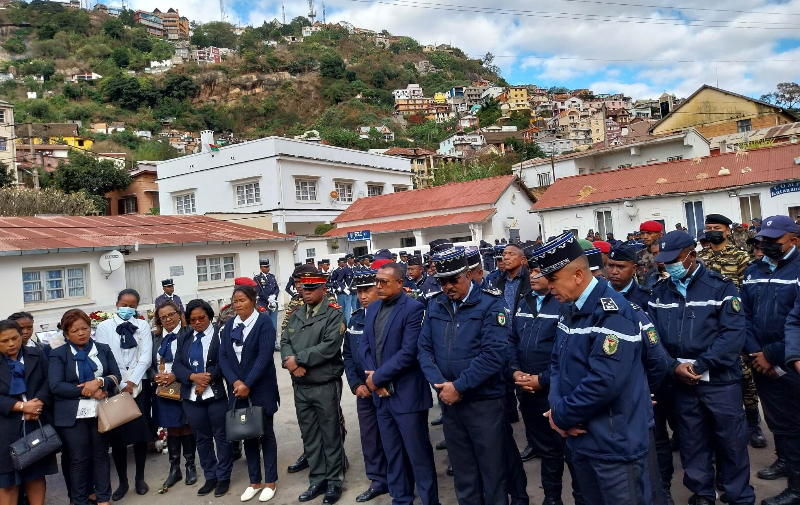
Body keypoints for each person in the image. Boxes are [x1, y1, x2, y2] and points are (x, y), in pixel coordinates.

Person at [537, 232, 651, 504]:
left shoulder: (613, 312)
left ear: (578, 275)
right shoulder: (570, 306)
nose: (547, 285)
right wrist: (557, 410)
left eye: (553, 278)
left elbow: (604, 380)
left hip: (613, 441)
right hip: (582, 437)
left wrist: (561, 416)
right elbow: (557, 364)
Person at [649, 230, 756, 505]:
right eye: (664, 261)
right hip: (681, 382)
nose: (668, 265)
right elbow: (652, 339)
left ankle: (737, 495)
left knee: (730, 442)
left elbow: (732, 335)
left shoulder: (721, 287)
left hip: (720, 381)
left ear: (692, 256)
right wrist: (673, 366)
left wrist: (699, 366)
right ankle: (703, 493)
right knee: (692, 441)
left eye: (674, 260)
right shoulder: (659, 292)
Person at [417, 240, 508, 505]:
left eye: (453, 280)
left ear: (468, 274)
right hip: (449, 402)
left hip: (483, 402)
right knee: (463, 471)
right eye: (442, 282)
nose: (447, 287)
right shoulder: (435, 305)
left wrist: (459, 386)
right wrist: (440, 384)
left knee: (492, 471)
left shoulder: (491, 305)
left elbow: (493, 355)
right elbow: (423, 350)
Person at [359, 264, 439, 505]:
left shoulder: (414, 309)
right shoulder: (373, 308)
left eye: (385, 282)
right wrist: (374, 381)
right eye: (377, 281)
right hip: (382, 398)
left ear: (400, 283)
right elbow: (364, 347)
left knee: (418, 455)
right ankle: (401, 499)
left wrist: (377, 378)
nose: (379, 286)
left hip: (407, 396)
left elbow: (408, 352)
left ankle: (429, 501)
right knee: (393, 454)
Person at [508, 252, 583, 505]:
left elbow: (567, 354)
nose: (534, 276)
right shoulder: (524, 301)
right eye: (532, 271)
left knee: (570, 451)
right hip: (527, 391)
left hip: (555, 391)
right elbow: (512, 341)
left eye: (540, 271)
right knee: (546, 451)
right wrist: (515, 371)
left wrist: (543, 379)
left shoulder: (564, 302)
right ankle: (552, 498)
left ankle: (581, 498)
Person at [607, 245, 675, 504]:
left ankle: (663, 486)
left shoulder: (647, 298)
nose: (613, 271)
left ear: (634, 269)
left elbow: (657, 351)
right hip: (614, 385)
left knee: (656, 439)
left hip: (647, 385)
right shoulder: (599, 298)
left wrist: (650, 388)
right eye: (610, 266)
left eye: (620, 267)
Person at [742, 216, 800, 505]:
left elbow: (797, 323)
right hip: (761, 361)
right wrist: (757, 354)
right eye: (763, 240)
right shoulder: (753, 272)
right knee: (779, 421)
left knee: (797, 422)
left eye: (773, 241)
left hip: (791, 361)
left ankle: (797, 487)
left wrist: (773, 355)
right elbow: (744, 317)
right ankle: (786, 461)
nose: (766, 246)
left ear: (794, 241)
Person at [698, 213, 765, 448]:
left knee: (746, 375)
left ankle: (753, 423)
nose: (711, 231)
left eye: (716, 227)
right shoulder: (700, 257)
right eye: (708, 228)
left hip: (734, 323)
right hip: (708, 325)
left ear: (728, 230)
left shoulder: (740, 257)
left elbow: (745, 294)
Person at [280, 271, 346, 504]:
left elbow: (329, 346)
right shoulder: (297, 314)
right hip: (301, 385)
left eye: (311, 289)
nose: (306, 293)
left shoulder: (333, 314)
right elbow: (285, 341)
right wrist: (290, 363)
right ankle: (317, 479)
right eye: (303, 289)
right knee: (310, 436)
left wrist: (299, 360)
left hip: (324, 384)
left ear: (323, 289)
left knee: (330, 434)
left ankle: (334, 481)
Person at [50, 309, 120, 505]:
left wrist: (99, 382)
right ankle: (79, 500)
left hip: (101, 411)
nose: (81, 333)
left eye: (85, 328)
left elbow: (116, 376)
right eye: (75, 330)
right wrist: (86, 390)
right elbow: (56, 386)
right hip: (72, 414)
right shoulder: (58, 354)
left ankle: (103, 498)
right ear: (66, 334)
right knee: (79, 459)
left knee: (101, 456)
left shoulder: (102, 349)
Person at [218, 285, 279, 502]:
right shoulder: (229, 326)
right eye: (235, 301)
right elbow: (223, 356)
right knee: (247, 434)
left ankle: (270, 481)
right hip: (237, 389)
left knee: (265, 434)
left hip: (261, 388)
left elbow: (264, 357)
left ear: (253, 300)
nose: (238, 305)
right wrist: (235, 382)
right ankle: (255, 482)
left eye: (242, 300)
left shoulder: (263, 323)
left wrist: (248, 383)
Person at [93, 289, 153, 499]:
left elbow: (145, 355)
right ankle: (123, 482)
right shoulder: (104, 326)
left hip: (138, 384)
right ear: (117, 303)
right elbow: (106, 354)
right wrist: (120, 382)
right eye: (124, 304)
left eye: (133, 305)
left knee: (139, 435)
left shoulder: (142, 325)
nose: (128, 308)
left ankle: (139, 478)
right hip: (115, 384)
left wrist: (132, 380)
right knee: (118, 438)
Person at [173, 299, 233, 498]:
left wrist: (206, 377)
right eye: (193, 320)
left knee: (221, 436)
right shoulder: (185, 337)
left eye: (202, 318)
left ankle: (224, 477)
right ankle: (211, 476)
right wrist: (193, 377)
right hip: (192, 398)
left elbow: (224, 360)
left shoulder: (219, 334)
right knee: (202, 439)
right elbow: (177, 366)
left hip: (215, 394)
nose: (198, 323)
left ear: (209, 316)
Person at [342, 270, 389, 503]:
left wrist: (378, 381)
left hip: (388, 389)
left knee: (392, 436)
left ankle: (399, 477)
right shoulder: (356, 318)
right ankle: (378, 479)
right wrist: (355, 384)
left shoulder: (389, 315)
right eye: (359, 291)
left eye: (366, 290)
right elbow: (348, 355)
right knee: (370, 437)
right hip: (364, 390)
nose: (362, 296)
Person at [0, 319, 56, 505]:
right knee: (7, 481)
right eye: (4, 341)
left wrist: (38, 403)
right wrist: (21, 407)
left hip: (36, 422)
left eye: (14, 338)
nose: (11, 344)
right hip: (6, 426)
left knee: (36, 474)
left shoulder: (35, 354)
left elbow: (49, 381)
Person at [150, 301, 196, 490]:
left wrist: (175, 375)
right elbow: (149, 362)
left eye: (171, 315)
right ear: (159, 320)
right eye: (163, 317)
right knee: (171, 427)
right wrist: (156, 376)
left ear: (178, 314)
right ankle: (174, 468)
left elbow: (194, 360)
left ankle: (190, 466)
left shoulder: (188, 334)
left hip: (183, 386)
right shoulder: (157, 338)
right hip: (163, 390)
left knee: (185, 426)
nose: (168, 319)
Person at [254, 259, 281, 349]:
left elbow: (277, 288)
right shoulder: (257, 278)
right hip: (264, 305)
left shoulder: (272, 277)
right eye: (266, 267)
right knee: (265, 325)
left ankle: (275, 344)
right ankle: (266, 345)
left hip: (273, 304)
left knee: (274, 325)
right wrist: (268, 298)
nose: (268, 268)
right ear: (261, 268)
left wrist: (274, 296)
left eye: (268, 266)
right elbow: (258, 291)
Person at [637, 221, 664, 288]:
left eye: (649, 233)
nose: (645, 237)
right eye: (642, 234)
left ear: (660, 234)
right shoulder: (638, 255)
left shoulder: (670, 253)